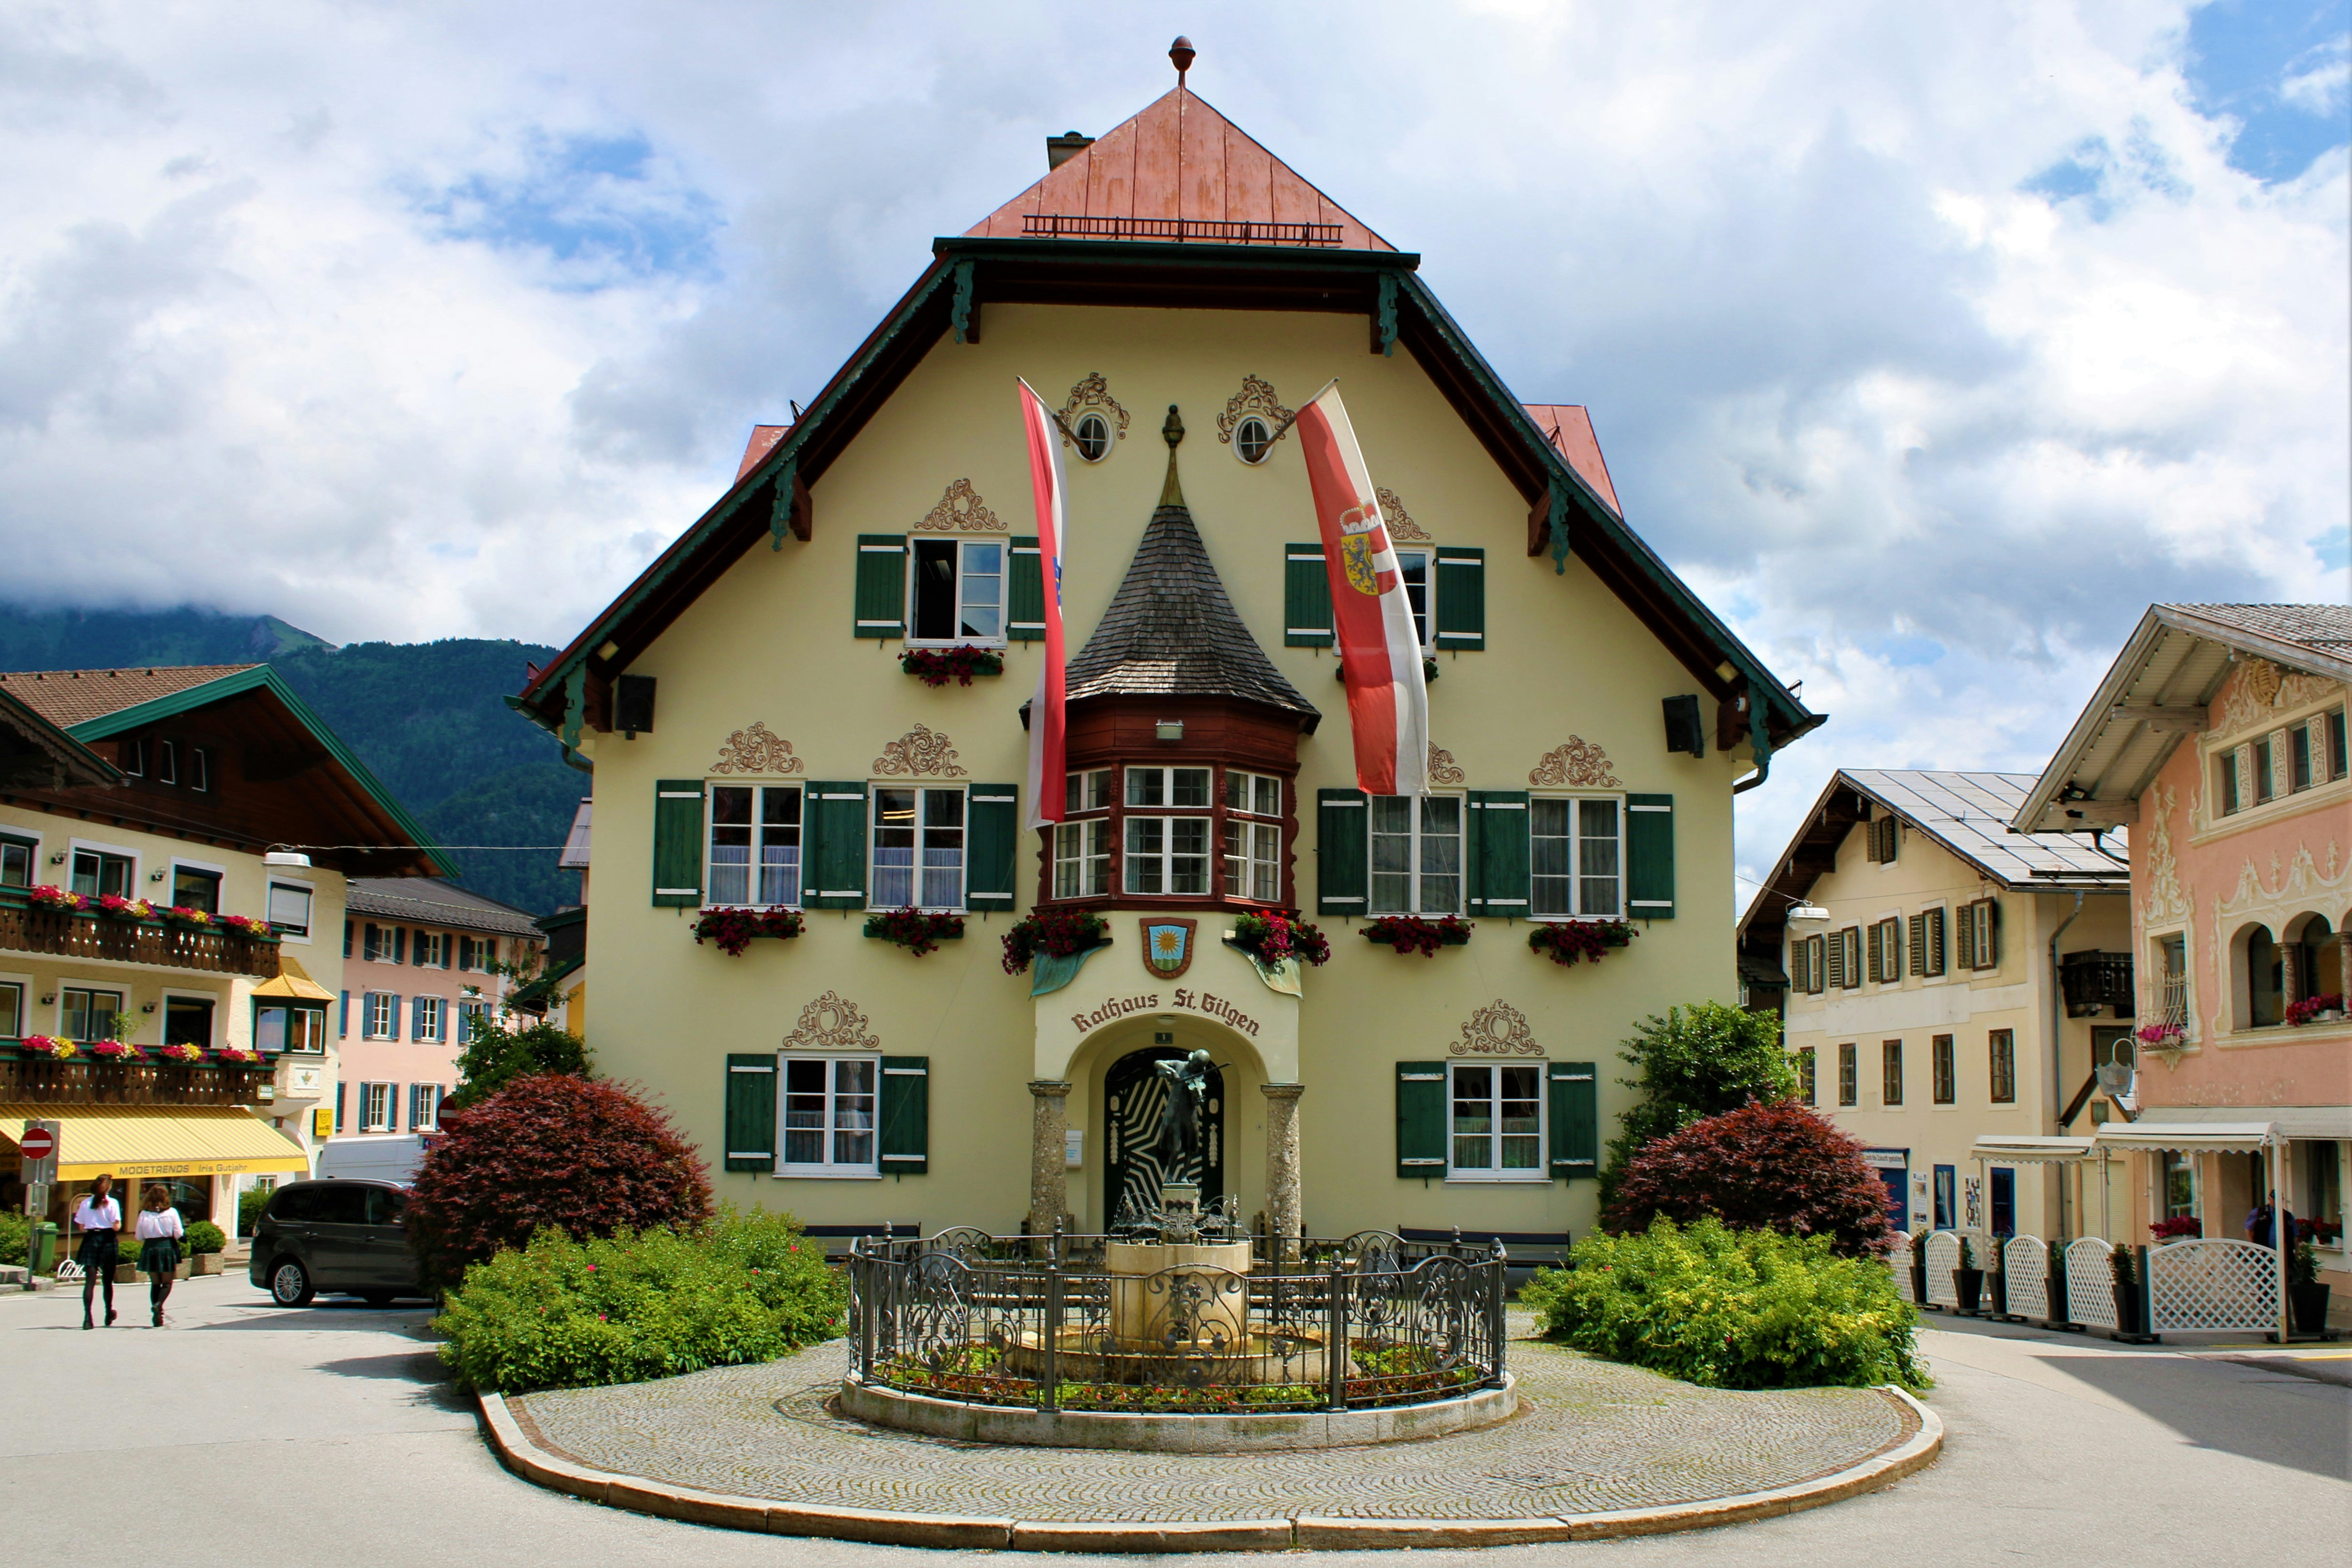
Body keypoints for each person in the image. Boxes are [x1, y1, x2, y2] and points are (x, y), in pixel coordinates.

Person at [73, 1173, 122, 1329]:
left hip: (91, 1239)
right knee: (107, 1281)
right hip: (107, 1239)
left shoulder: (86, 1203)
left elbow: (80, 1226)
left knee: (90, 1282)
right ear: (108, 1187)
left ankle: (88, 1317)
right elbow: (116, 1226)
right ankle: (108, 1312)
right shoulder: (113, 1203)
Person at [134, 1185, 185, 1327]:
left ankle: (157, 1314)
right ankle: (159, 1304)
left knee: (155, 1282)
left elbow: (139, 1236)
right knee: (167, 1282)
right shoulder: (172, 1212)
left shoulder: (144, 1214)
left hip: (150, 1248)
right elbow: (178, 1232)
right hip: (167, 1247)